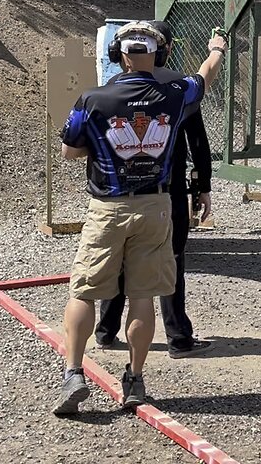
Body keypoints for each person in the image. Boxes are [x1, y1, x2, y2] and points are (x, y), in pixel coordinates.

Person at [53, 20, 226, 415]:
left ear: (119, 56)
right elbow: (205, 75)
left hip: (108, 208)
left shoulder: (92, 99)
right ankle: (134, 378)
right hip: (156, 207)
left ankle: (74, 373)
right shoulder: (175, 95)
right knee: (143, 296)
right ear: (159, 54)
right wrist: (217, 47)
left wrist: (104, 150)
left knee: (83, 291)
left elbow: (69, 151)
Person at [94, 20, 213, 359]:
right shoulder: (178, 89)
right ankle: (178, 338)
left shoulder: (116, 83)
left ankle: (106, 330)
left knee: (119, 260)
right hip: (167, 188)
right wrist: (201, 186)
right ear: (165, 50)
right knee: (171, 260)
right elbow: (198, 142)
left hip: (121, 190)